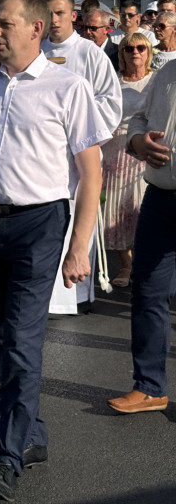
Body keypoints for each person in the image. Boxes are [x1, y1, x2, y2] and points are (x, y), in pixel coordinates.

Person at [0, 0, 110, 501]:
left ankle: (7, 456)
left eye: (6, 25)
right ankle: (30, 433)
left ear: (35, 29)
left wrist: (80, 245)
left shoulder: (67, 87)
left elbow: (90, 173)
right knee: (2, 337)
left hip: (40, 223)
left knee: (25, 337)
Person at [41, 0, 122, 314]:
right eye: (49, 13)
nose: (54, 20)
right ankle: (46, 296)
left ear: (73, 15)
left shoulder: (89, 53)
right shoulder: (38, 50)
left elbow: (111, 101)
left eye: (60, 13)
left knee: (79, 218)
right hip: (45, 153)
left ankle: (75, 292)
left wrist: (79, 128)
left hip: (80, 151)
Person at [108, 57, 176, 415]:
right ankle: (149, 387)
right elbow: (140, 118)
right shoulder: (167, 72)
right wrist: (138, 140)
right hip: (160, 198)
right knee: (147, 290)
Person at [101, 33, 154, 288]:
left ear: (148, 52)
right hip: (115, 148)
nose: (135, 52)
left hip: (146, 147)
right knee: (116, 209)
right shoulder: (113, 81)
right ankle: (126, 265)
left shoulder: (156, 80)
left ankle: (145, 265)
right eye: (128, 48)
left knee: (142, 209)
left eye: (141, 48)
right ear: (121, 53)